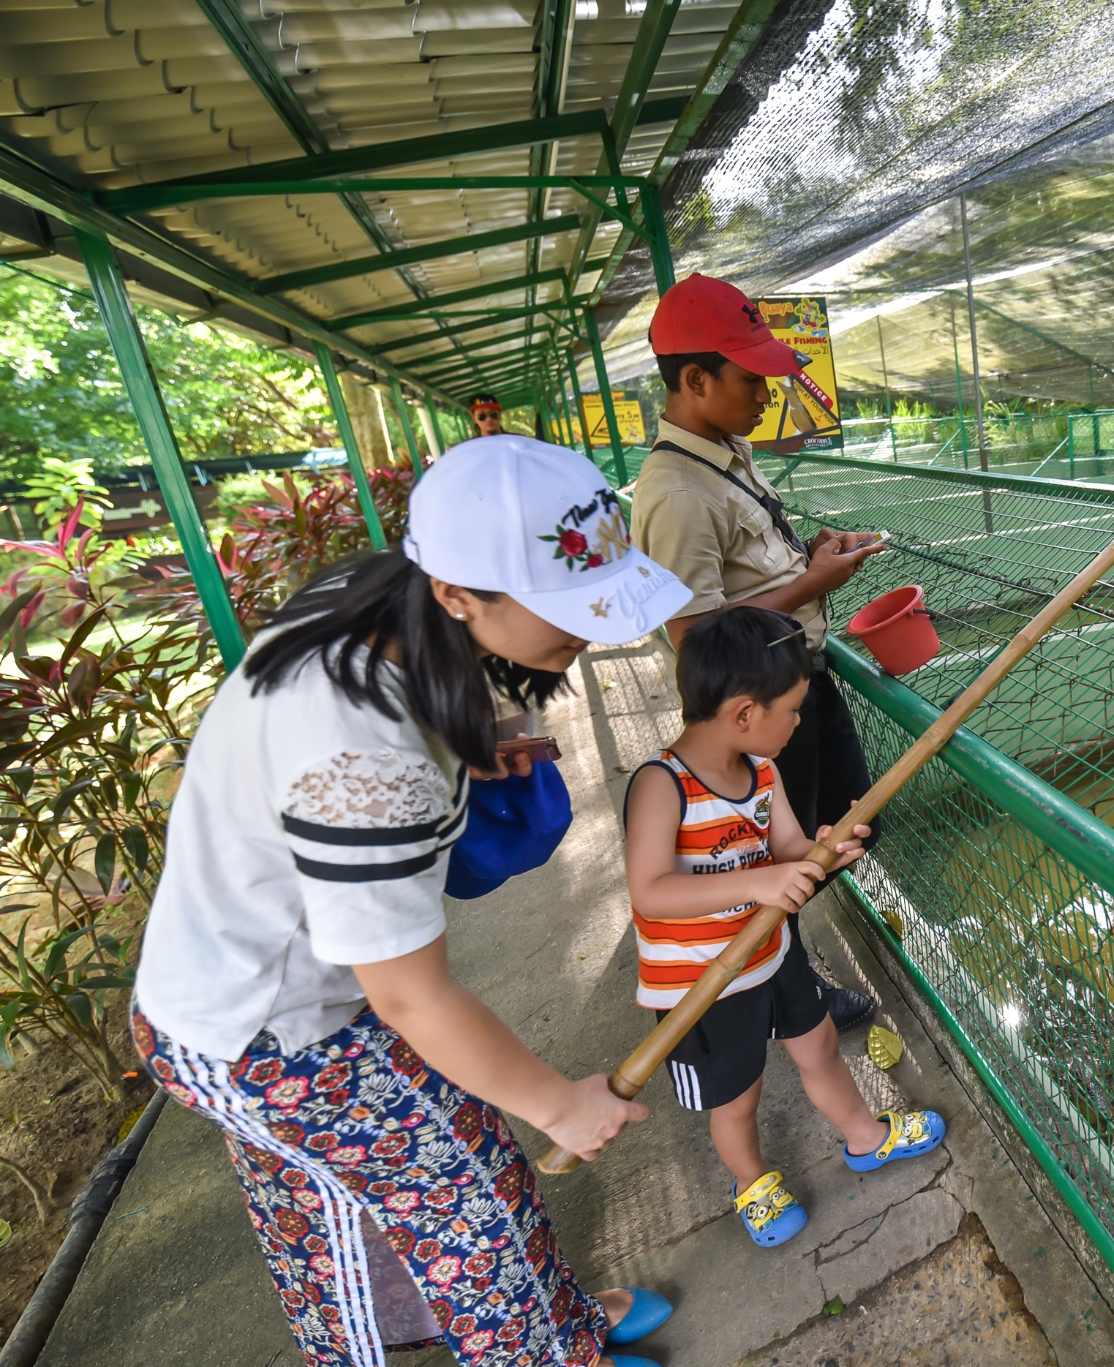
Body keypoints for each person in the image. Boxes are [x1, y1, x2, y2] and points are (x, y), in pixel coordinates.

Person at [132, 436, 690, 1367]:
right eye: (565, 610)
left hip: (221, 998)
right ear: (458, 595)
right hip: (272, 1030)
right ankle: (547, 1350)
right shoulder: (361, 755)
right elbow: (412, 997)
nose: (588, 630)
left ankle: (546, 1326)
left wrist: (467, 737)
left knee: (373, 1202)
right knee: (468, 1193)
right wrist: (559, 1103)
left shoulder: (369, 602)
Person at [622, 605, 944, 1248]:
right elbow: (651, 893)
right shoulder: (662, 786)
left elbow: (789, 847)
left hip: (771, 954)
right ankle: (753, 1183)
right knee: (737, 1098)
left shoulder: (762, 773)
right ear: (745, 713)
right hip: (699, 988)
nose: (800, 722)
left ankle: (865, 1137)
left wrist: (826, 847)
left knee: (821, 1047)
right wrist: (757, 882)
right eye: (793, 709)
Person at [629, 272, 888, 1033]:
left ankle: (782, 963)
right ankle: (788, 987)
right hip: (760, 705)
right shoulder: (675, 490)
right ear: (696, 379)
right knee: (787, 856)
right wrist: (814, 580)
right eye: (753, 378)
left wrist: (811, 559)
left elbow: (749, 570)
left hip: (796, 677)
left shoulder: (725, 448)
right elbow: (694, 632)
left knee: (851, 819)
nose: (767, 393)